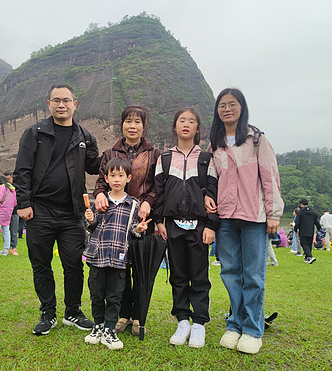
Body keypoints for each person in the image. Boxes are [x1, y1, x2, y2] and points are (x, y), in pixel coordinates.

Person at [13, 84, 100, 335]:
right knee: (41, 263)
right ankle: (47, 312)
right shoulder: (35, 133)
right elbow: (22, 170)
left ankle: (72, 311)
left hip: (72, 213)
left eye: (66, 100)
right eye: (56, 100)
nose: (61, 105)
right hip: (40, 211)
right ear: (48, 103)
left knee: (74, 264)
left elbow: (95, 166)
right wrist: (24, 203)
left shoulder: (84, 136)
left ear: (75, 104)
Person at [207, 88, 283, 354]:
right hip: (226, 217)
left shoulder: (256, 140)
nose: (227, 109)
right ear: (217, 111)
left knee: (253, 274)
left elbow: (270, 176)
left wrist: (273, 213)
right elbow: (211, 179)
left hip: (254, 216)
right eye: (222, 105)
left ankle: (252, 329)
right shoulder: (215, 143)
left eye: (232, 104)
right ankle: (234, 324)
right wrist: (208, 198)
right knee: (229, 273)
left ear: (242, 107)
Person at [93, 105, 160, 336]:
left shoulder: (154, 153)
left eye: (137, 122)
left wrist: (148, 201)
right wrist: (100, 194)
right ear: (122, 124)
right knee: (117, 269)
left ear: (144, 126)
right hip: (116, 220)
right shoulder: (111, 152)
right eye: (128, 121)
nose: (132, 126)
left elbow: (156, 184)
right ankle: (123, 313)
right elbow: (101, 181)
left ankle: (138, 317)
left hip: (141, 217)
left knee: (140, 270)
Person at [154, 107, 218, 349]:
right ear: (175, 126)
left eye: (192, 121)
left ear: (197, 128)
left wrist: (211, 225)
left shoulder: (206, 159)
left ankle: (200, 323)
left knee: (199, 276)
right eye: (182, 120)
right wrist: (159, 222)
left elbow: (213, 193)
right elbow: (159, 193)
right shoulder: (165, 158)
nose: (186, 124)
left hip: (199, 225)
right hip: (172, 225)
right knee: (178, 275)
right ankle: (182, 320)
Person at [84, 158, 150, 350]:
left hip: (120, 258)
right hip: (98, 256)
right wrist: (89, 219)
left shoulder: (133, 205)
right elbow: (91, 228)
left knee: (114, 296)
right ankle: (98, 326)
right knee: (96, 294)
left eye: (121, 175)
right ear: (106, 177)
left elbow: (134, 231)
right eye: (112, 175)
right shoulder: (100, 201)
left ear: (128, 178)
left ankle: (110, 330)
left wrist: (139, 228)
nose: (117, 179)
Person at [294, 198, 321, 264]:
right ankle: (307, 258)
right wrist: (319, 228)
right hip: (311, 230)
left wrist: (295, 229)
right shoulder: (313, 212)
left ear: (301, 204)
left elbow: (297, 222)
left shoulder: (300, 212)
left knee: (303, 244)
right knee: (309, 244)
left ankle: (310, 256)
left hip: (303, 230)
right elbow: (316, 222)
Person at [3, 171, 20, 256]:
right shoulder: (3, 186)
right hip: (5, 212)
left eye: (8, 179)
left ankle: (14, 247)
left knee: (13, 230)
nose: (7, 181)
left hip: (14, 212)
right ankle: (6, 247)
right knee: (5, 231)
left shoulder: (17, 186)